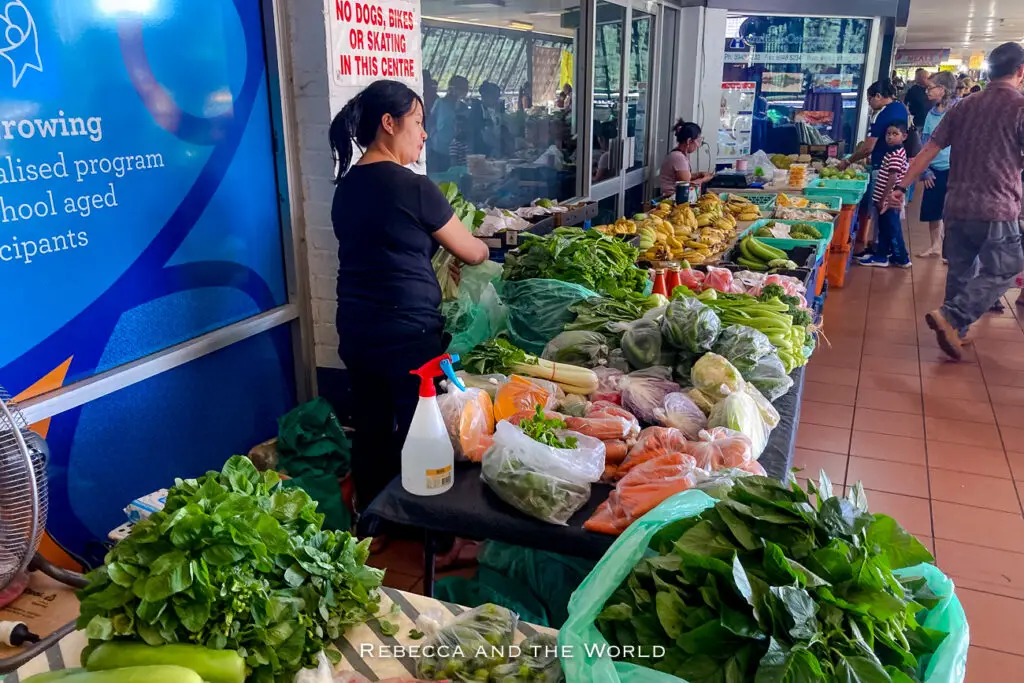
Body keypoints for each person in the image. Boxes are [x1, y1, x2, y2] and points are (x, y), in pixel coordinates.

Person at [329, 80, 490, 516]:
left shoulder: (346, 188)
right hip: (408, 332)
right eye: (418, 122)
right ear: (388, 123)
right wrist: (483, 245)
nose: (424, 133)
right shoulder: (414, 187)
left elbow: (383, 244)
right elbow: (472, 251)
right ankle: (426, 528)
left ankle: (375, 524)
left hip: (358, 328)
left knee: (371, 426)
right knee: (424, 427)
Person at [889, 41, 1024, 361]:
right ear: (1021, 72)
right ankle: (954, 317)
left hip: (958, 204)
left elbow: (927, 151)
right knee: (1007, 266)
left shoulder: (963, 106)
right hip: (998, 205)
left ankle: (954, 332)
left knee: (960, 271)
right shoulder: (1019, 107)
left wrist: (901, 187)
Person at [841, 79, 909, 257]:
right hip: (894, 164)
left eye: (870, 99)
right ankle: (881, 248)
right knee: (887, 214)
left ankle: (886, 252)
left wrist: (847, 162)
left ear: (878, 96)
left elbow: (868, 147)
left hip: (885, 167)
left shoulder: (883, 113)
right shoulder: (900, 107)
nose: (869, 104)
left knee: (883, 211)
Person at [916, 71, 958, 258]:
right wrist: (924, 169)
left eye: (930, 88)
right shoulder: (930, 114)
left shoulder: (958, 110)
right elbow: (925, 142)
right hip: (934, 169)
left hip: (954, 169)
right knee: (933, 209)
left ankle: (950, 249)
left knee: (952, 211)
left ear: (942, 89)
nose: (927, 92)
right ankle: (935, 246)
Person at [863, 122, 911, 268]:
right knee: (885, 228)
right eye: (888, 134)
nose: (890, 137)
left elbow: (892, 179)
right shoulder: (893, 152)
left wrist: (883, 199)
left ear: (904, 136)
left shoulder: (896, 155)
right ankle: (881, 255)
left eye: (895, 134)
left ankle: (902, 258)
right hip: (885, 199)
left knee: (892, 228)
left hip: (889, 200)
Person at [659, 120, 713, 196]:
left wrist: (699, 174)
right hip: (672, 199)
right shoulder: (678, 157)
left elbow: (683, 176)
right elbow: (688, 185)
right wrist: (704, 179)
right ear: (689, 141)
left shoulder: (679, 155)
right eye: (698, 141)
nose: (698, 145)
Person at [426, 75, 468, 171]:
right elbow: (430, 124)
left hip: (457, 151)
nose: (464, 92)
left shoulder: (463, 107)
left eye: (465, 89)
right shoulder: (440, 103)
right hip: (438, 150)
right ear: (452, 88)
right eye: (461, 89)